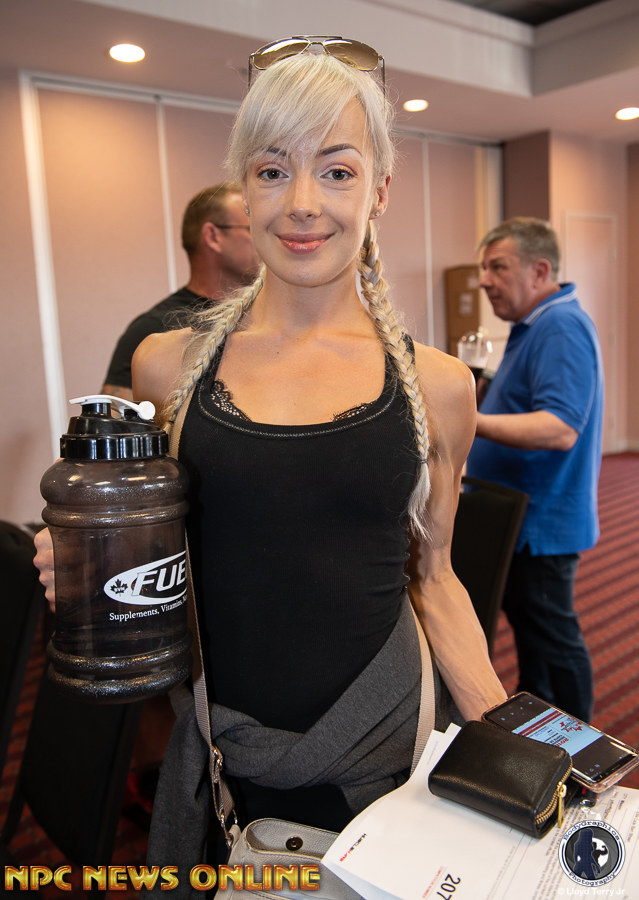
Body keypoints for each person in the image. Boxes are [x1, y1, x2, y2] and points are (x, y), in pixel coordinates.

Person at [36, 36, 506, 878]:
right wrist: (84, 558)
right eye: (271, 170)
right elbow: (143, 550)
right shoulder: (167, 366)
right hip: (225, 746)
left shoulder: (437, 386)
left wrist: (505, 742)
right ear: (243, 190)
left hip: (383, 748)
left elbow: (434, 577)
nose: (302, 204)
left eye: (337, 171)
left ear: (379, 189)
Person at [466, 217, 604, 724]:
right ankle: (543, 738)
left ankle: (578, 749)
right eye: (484, 268)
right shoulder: (534, 324)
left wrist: (470, 421)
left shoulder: (559, 325)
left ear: (540, 271)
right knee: (535, 641)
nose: (484, 280)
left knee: (553, 641)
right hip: (522, 520)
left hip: (541, 523)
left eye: (498, 267)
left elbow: (560, 427)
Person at [102, 182, 260, 400]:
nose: (265, 239)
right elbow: (116, 418)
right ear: (213, 236)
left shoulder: (274, 319)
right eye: (252, 228)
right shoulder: (153, 330)